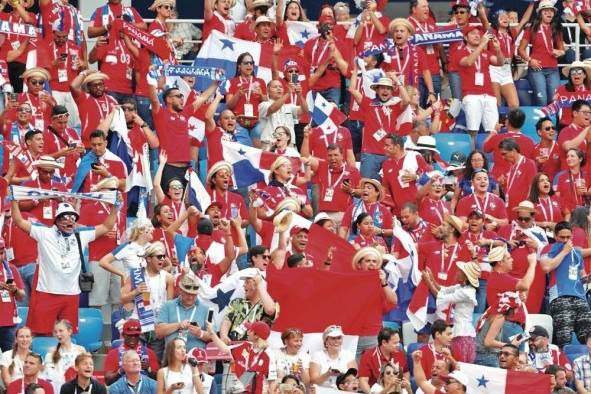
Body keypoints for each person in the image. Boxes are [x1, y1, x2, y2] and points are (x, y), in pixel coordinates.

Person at [11, 197, 118, 335]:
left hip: (71, 293)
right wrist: (14, 200)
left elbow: (106, 227)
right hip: (47, 292)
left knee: (67, 334)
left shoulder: (82, 234)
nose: (70, 221)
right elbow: (19, 220)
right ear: (56, 220)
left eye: (73, 218)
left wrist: (116, 206)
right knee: (41, 333)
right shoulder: (44, 232)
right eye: (65, 218)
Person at [541, 221, 591, 348]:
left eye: (568, 237)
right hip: (560, 297)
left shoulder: (577, 252)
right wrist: (564, 252)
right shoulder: (549, 248)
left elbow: (582, 275)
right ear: (555, 235)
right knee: (565, 338)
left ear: (572, 236)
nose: (565, 240)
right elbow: (546, 267)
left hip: (580, 298)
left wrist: (587, 279)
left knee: (588, 337)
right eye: (562, 237)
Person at [424, 261, 481, 363]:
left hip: (462, 334)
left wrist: (428, 282)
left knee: (460, 365)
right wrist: (431, 278)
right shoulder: (462, 287)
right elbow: (443, 290)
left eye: (460, 271)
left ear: (466, 277)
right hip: (459, 332)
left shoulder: (466, 292)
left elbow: (441, 297)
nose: (457, 272)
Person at [458, 25, 504, 136]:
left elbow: (500, 62)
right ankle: (473, 153)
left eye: (478, 33)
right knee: (473, 130)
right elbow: (468, 62)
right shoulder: (460, 52)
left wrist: (498, 49)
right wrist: (483, 44)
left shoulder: (486, 53)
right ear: (465, 37)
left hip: (489, 94)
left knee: (494, 130)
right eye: (472, 33)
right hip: (471, 94)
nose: (477, 35)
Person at [208, 321, 277, 394]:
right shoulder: (245, 345)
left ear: (256, 336)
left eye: (250, 330)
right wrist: (212, 333)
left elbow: (272, 382)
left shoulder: (268, 354)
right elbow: (225, 349)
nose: (247, 332)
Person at [518, 0, 565, 106]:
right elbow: (520, 49)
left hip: (553, 69)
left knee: (554, 100)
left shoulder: (556, 28)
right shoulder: (531, 28)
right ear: (540, 13)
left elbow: (562, 50)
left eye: (551, 11)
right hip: (537, 69)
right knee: (541, 100)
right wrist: (530, 60)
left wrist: (560, 52)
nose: (549, 13)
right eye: (546, 11)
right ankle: (542, 122)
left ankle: (551, 122)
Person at [155, 273, 211, 351]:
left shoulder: (206, 309)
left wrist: (200, 333)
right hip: (173, 359)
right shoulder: (167, 306)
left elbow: (212, 336)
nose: (191, 297)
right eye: (188, 293)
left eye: (194, 294)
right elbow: (158, 332)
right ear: (180, 291)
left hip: (197, 358)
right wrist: (178, 325)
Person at [219, 271, 277, 343]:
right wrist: (224, 336)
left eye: (247, 282)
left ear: (256, 285)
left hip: (254, 348)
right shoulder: (237, 302)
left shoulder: (268, 305)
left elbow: (270, 310)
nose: (243, 285)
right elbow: (227, 320)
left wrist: (259, 284)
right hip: (233, 345)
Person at [483, 109, 536, 181]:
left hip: (499, 180)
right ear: (522, 123)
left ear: (507, 122)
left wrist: (494, 131)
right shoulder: (530, 141)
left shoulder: (497, 138)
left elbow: (485, 148)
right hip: (519, 179)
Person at [103, 319, 160, 385]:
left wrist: (149, 369)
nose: (133, 338)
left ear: (139, 336)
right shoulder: (113, 354)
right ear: (123, 335)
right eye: (129, 335)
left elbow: (159, 380)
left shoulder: (149, 353)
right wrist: (121, 371)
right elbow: (108, 381)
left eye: (136, 335)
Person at [69, 71, 118, 147]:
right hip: (89, 144)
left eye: (100, 84)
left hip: (108, 144)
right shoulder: (84, 98)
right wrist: (85, 73)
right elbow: (73, 86)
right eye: (94, 85)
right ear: (88, 87)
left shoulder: (112, 100)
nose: (98, 87)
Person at [474, 292, 522, 367]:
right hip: (487, 357)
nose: (517, 311)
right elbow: (488, 342)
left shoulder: (491, 312)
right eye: (517, 308)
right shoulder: (499, 317)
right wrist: (510, 345)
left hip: (479, 355)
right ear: (510, 308)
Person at [358, 327, 407, 393]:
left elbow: (406, 372)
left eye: (399, 342)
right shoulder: (368, 356)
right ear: (384, 343)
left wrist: (404, 384)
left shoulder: (400, 353)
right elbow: (363, 380)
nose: (398, 345)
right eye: (395, 343)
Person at [43, 320, 86, 392]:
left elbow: (86, 373)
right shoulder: (51, 352)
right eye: (55, 332)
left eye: (61, 331)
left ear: (69, 331)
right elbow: (47, 375)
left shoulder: (80, 351)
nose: (58, 334)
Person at [0, 239, 25, 352]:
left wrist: (15, 290)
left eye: (1, 252)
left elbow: (21, 297)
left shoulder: (11, 269)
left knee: (10, 360)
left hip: (9, 324)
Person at [534, 117, 562, 182]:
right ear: (540, 132)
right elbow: (529, 171)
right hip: (540, 186)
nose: (552, 130)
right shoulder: (533, 149)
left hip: (556, 186)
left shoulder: (561, 148)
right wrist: (537, 163)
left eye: (553, 128)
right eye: (547, 129)